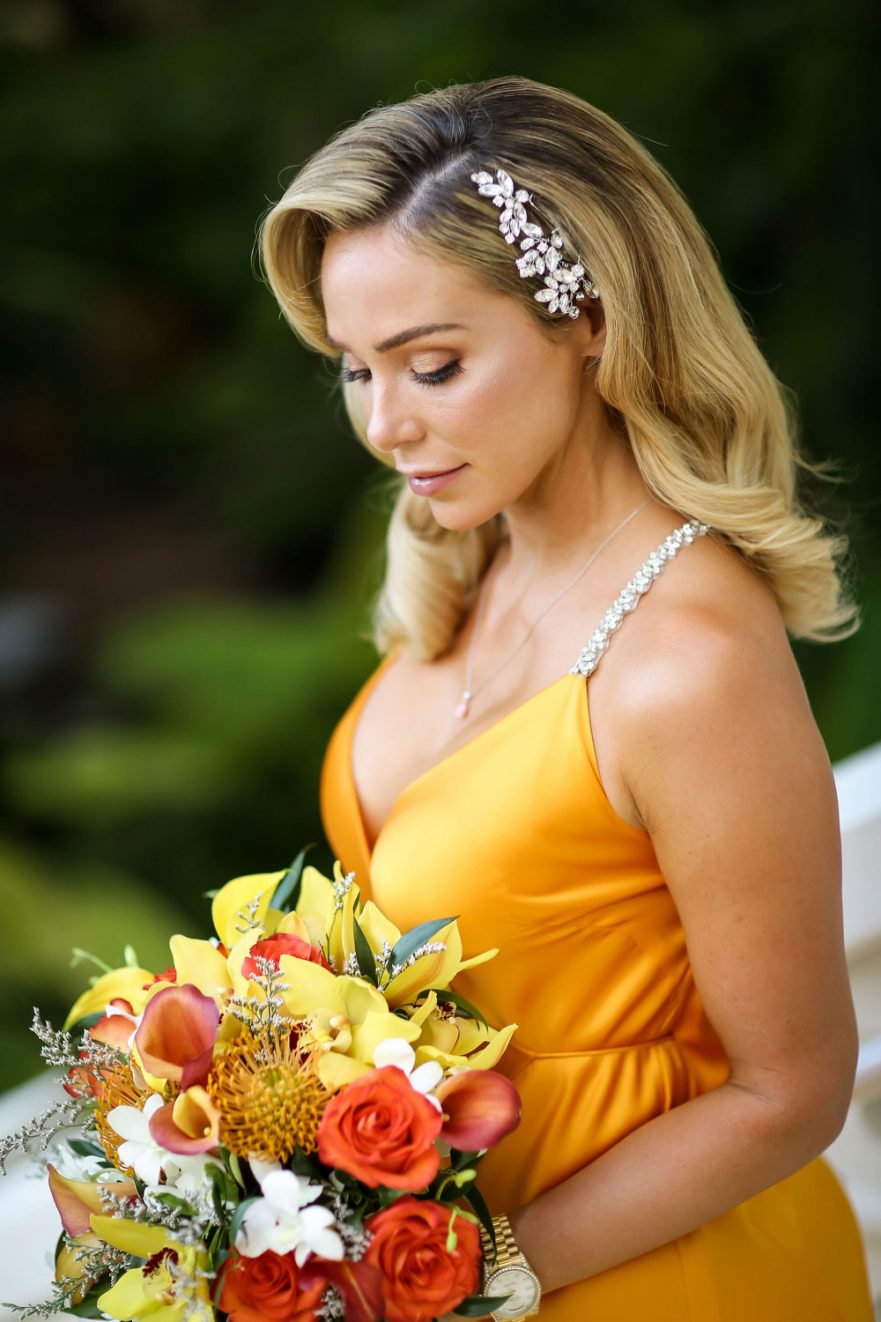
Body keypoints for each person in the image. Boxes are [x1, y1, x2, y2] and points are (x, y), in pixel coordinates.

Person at [258, 75, 873, 1320]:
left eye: (432, 364)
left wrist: (457, 1278)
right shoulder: (466, 561)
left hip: (671, 1281)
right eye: (353, 371)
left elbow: (791, 1088)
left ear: (585, 315)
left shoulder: (684, 660)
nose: (386, 424)